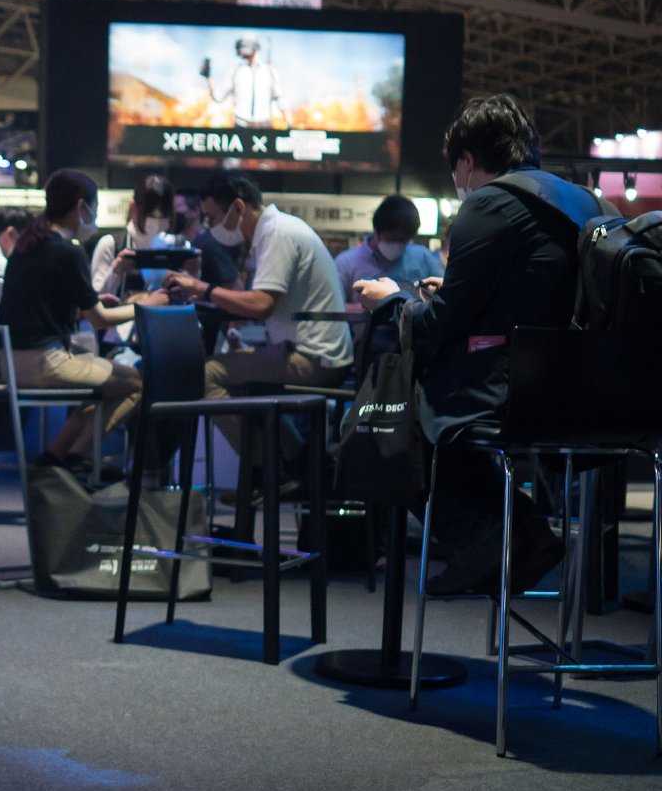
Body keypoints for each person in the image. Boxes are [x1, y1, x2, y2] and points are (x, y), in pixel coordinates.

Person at [352, 93, 595, 595]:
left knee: (393, 417)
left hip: (514, 397)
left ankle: (496, 535)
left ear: (466, 161)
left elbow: (437, 326)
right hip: (582, 396)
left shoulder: (489, 203)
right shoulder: (582, 201)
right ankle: (518, 531)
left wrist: (392, 301)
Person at [167, 171, 355, 479]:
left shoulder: (276, 233)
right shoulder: (276, 230)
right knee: (236, 380)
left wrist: (203, 289)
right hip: (313, 352)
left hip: (315, 359)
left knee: (202, 375)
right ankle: (296, 462)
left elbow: (261, 305)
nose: (211, 226)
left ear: (238, 208)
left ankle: (264, 473)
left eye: (213, 217)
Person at [0, 170, 167, 467]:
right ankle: (75, 457)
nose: (96, 216)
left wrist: (85, 308)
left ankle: (56, 457)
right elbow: (99, 320)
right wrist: (148, 305)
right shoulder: (68, 252)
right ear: (81, 207)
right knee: (140, 382)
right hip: (45, 364)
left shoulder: (26, 246)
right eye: (95, 207)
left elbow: (38, 308)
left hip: (10, 364)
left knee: (108, 382)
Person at [335, 194, 444, 294]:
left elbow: (445, 294)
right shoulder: (346, 263)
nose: (396, 244)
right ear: (376, 230)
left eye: (403, 240)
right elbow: (336, 304)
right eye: (390, 238)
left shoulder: (423, 257)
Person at [89, 176, 177, 298]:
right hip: (123, 310)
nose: (156, 220)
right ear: (133, 207)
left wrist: (192, 273)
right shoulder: (111, 244)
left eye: (163, 215)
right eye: (150, 213)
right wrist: (116, 271)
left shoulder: (173, 244)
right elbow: (96, 298)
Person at [203, 32, 284, 130]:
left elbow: (280, 99)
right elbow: (218, 97)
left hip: (264, 127)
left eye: (242, 46)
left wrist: (289, 125)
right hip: (241, 126)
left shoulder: (270, 71)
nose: (240, 50)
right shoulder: (236, 71)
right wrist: (208, 77)